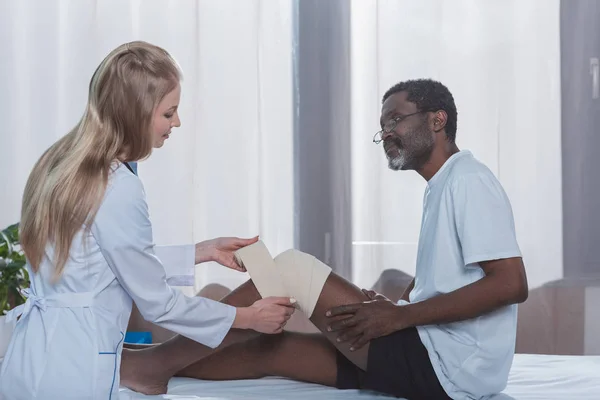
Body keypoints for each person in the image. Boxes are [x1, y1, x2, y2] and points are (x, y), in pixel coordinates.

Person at [119, 78, 529, 400]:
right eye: (382, 125)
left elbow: (510, 284)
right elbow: (446, 277)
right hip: (437, 363)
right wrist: (399, 304)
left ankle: (152, 366)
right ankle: (132, 365)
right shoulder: (442, 186)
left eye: (395, 119)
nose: (386, 132)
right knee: (270, 351)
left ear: (437, 120)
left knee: (293, 269)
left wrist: (401, 317)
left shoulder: (469, 180)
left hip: (446, 366)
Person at [0, 41, 296, 400]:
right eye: (169, 113)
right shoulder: (116, 185)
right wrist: (247, 318)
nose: (177, 122)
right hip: (75, 370)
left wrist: (202, 251)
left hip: (29, 359)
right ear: (136, 114)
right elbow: (159, 303)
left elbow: (96, 263)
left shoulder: (59, 163)